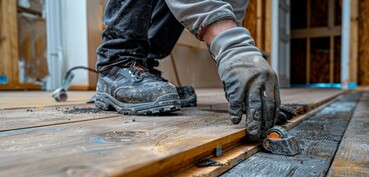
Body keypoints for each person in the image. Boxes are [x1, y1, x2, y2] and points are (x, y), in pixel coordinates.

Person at [95, 0, 287, 141]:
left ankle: (142, 65)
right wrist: (232, 45)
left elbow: (232, 5)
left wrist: (234, 61)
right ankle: (118, 63)